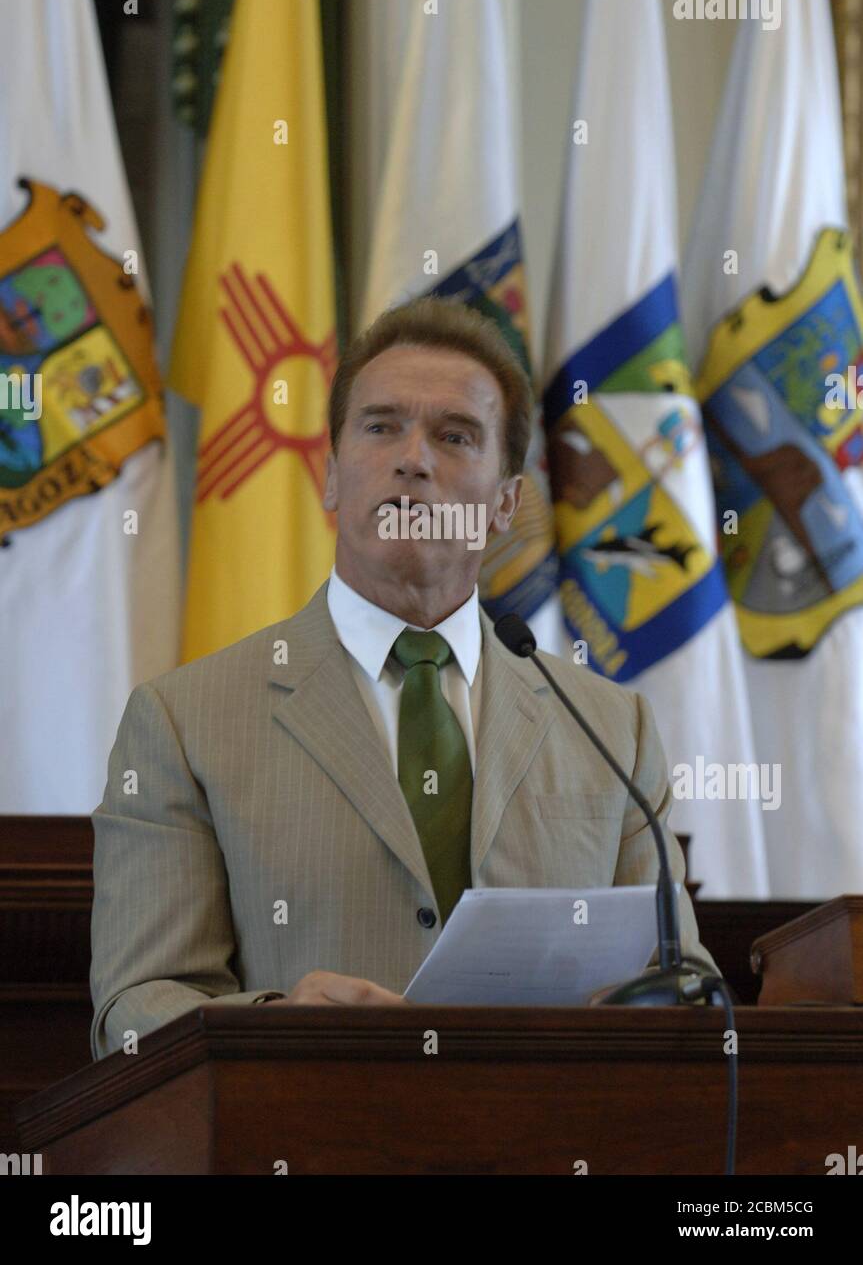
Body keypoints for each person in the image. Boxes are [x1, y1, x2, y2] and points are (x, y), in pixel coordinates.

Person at [90, 296, 718, 1059]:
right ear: (329, 478)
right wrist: (277, 1023)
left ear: (504, 506)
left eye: (455, 436)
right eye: (381, 426)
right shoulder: (183, 721)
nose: (413, 458)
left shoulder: (612, 726)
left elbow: (683, 988)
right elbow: (132, 1008)